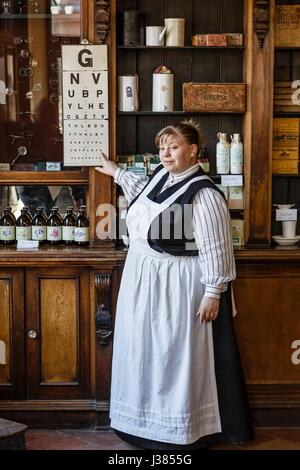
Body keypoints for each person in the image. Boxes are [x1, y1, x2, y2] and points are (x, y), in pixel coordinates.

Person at [95, 120, 254, 450]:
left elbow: (216, 246)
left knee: (173, 355)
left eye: (174, 147)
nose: (165, 154)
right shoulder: (161, 177)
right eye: (161, 148)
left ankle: (177, 431)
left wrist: (213, 292)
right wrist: (116, 171)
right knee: (144, 353)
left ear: (193, 150)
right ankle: (141, 424)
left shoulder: (204, 193)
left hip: (177, 286)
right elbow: (143, 192)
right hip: (143, 280)